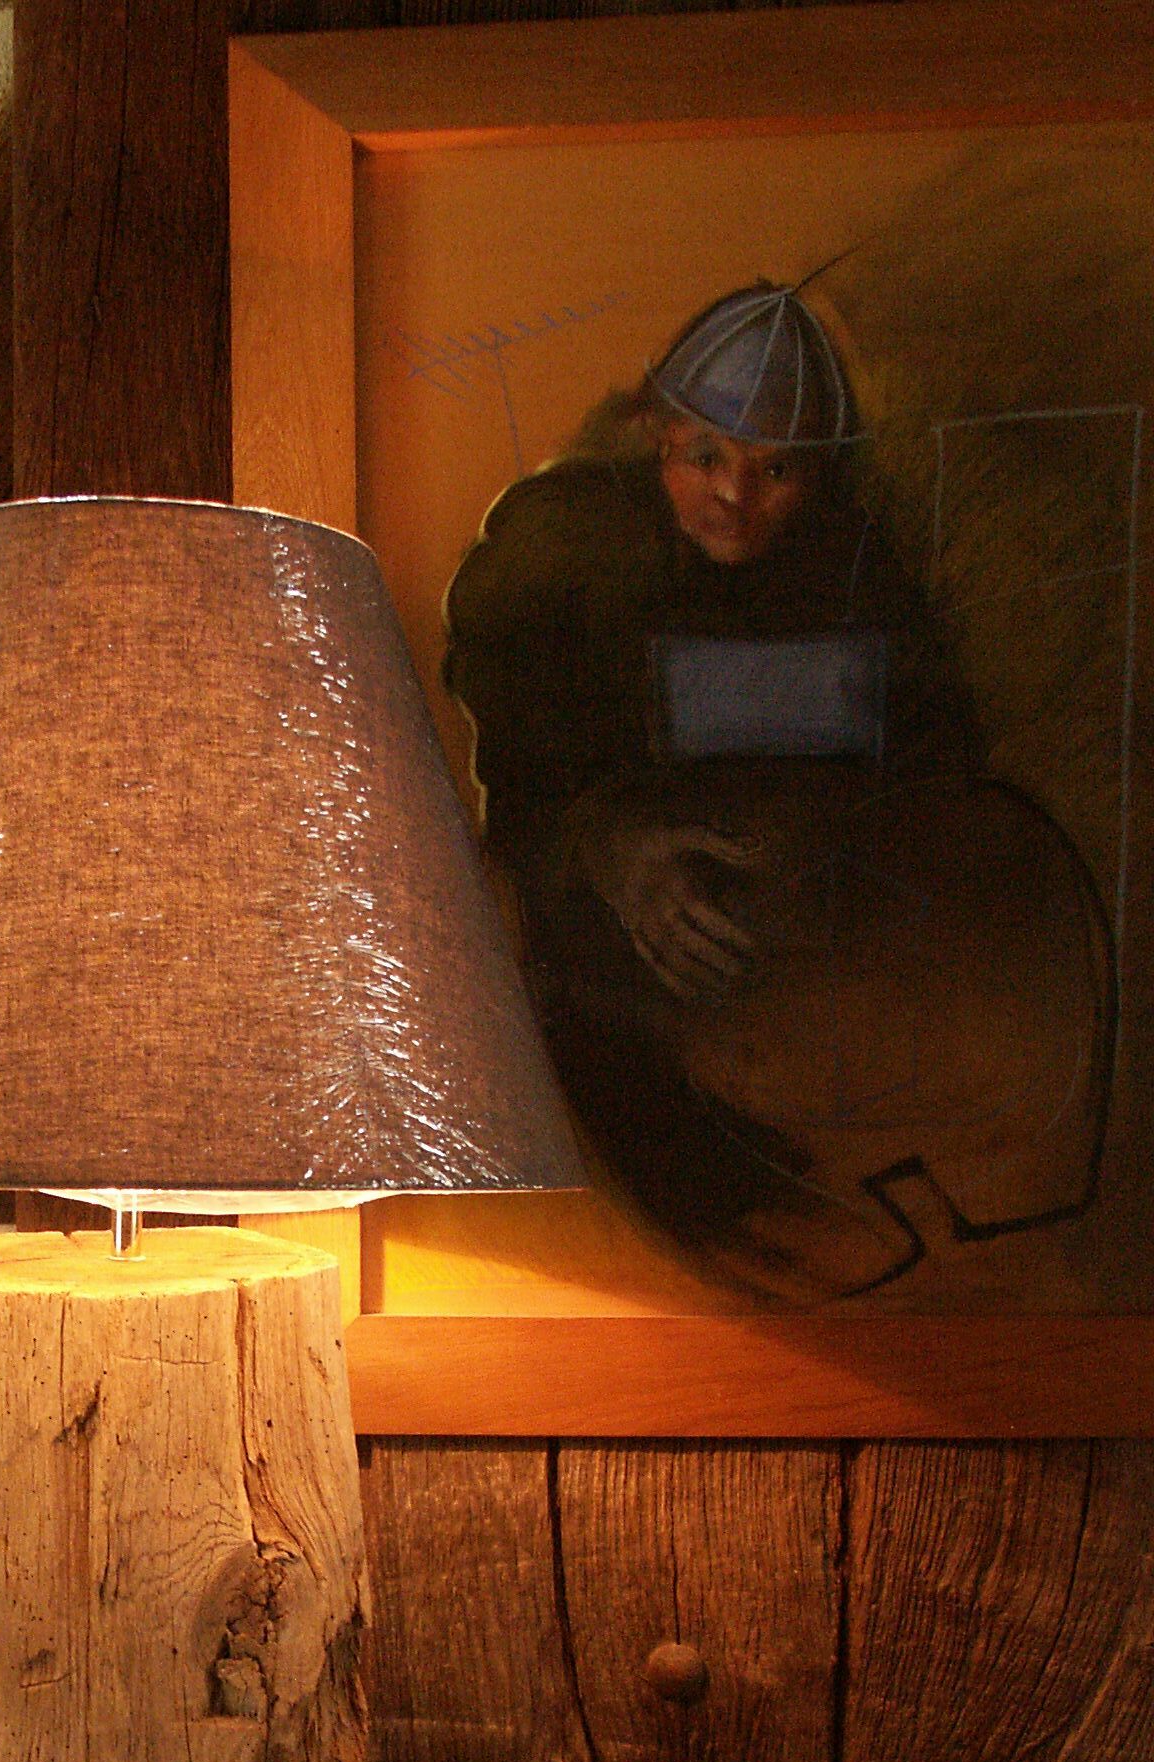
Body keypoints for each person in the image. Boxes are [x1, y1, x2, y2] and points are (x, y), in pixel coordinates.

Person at [443, 283, 1111, 1299]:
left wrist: (850, 842)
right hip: (640, 963)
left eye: (778, 469)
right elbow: (518, 780)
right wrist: (608, 847)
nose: (736, 497)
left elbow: (938, 751)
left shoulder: (854, 563)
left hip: (826, 939)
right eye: (705, 457)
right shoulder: (566, 551)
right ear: (655, 434)